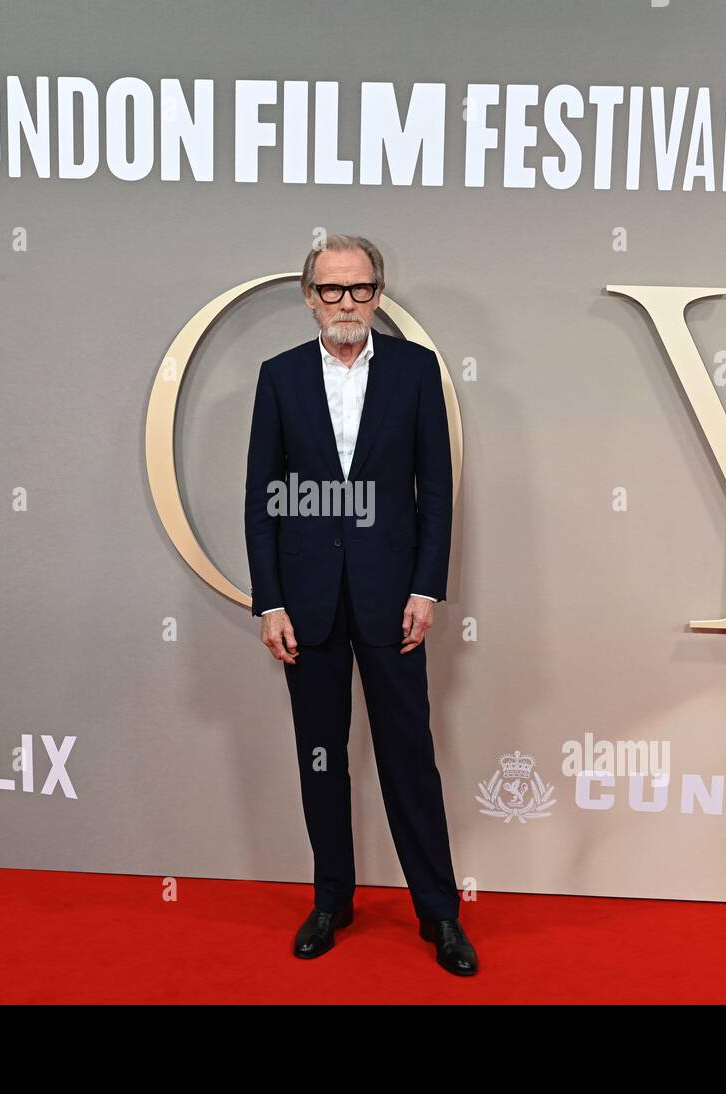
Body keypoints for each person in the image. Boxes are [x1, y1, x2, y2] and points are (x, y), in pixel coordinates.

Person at [243, 233, 477, 976]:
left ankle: (439, 914)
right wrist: (270, 600)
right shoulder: (278, 378)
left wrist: (425, 585)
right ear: (309, 296)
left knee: (410, 758)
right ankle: (332, 900)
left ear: (379, 292)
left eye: (361, 289)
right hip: (306, 604)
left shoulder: (415, 371)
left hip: (391, 599)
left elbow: (434, 491)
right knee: (322, 759)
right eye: (333, 290)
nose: (348, 304)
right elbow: (262, 500)